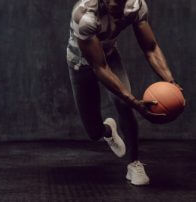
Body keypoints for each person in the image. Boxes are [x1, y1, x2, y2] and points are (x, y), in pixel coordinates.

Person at [66, 0, 184, 186]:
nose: (114, 2)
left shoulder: (135, 6)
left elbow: (150, 48)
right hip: (81, 63)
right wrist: (134, 101)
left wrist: (171, 82)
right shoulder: (85, 16)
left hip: (109, 55)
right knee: (93, 132)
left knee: (124, 106)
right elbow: (100, 67)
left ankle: (134, 163)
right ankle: (107, 130)